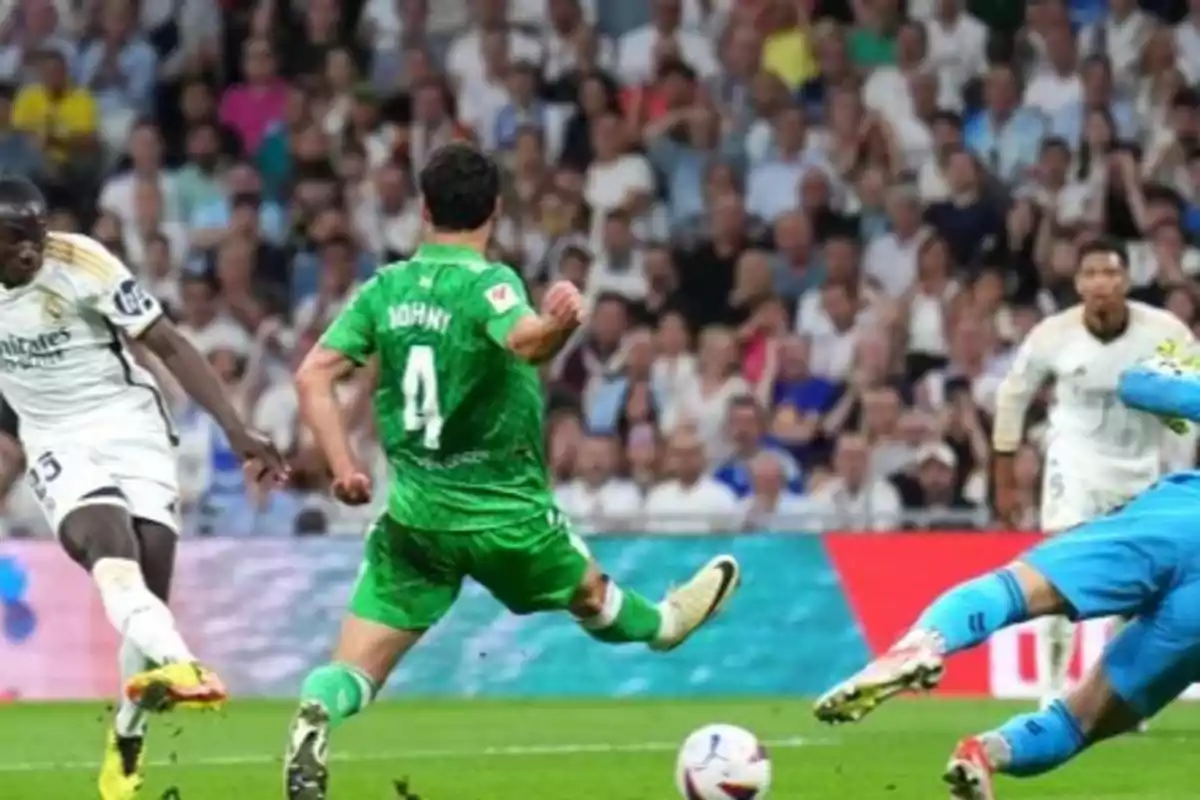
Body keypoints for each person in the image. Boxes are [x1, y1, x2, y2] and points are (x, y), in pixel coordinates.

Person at [283, 143, 741, 800]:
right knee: (591, 597)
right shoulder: (490, 283)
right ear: (495, 209)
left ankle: (317, 717)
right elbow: (525, 341)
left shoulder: (384, 289)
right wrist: (559, 324)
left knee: (353, 670)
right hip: (505, 513)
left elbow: (312, 376)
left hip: (415, 518)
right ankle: (664, 626)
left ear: (423, 209)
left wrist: (345, 467)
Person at [0, 177, 286, 800]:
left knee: (149, 579)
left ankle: (126, 738)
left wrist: (236, 430)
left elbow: (167, 342)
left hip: (130, 424)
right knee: (108, 548)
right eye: (18, 241)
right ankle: (185, 664)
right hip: (56, 440)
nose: (34, 250)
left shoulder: (82, 261)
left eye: (38, 234)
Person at [812, 345, 1200, 799]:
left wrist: (1167, 373)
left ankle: (921, 645)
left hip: (1181, 524)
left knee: (1018, 589)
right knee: (1083, 720)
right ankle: (986, 753)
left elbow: (1136, 385)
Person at [990, 236, 1192, 711]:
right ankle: (1051, 692)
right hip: (1074, 462)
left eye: (1111, 273)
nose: (1102, 283)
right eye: (1092, 274)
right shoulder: (1051, 335)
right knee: (1060, 569)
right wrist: (1003, 471)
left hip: (1141, 465)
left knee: (1136, 590)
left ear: (1127, 281)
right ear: (1079, 283)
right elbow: (1013, 396)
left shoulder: (1166, 333)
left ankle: (1115, 694)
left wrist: (1179, 460)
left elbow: (1190, 394)